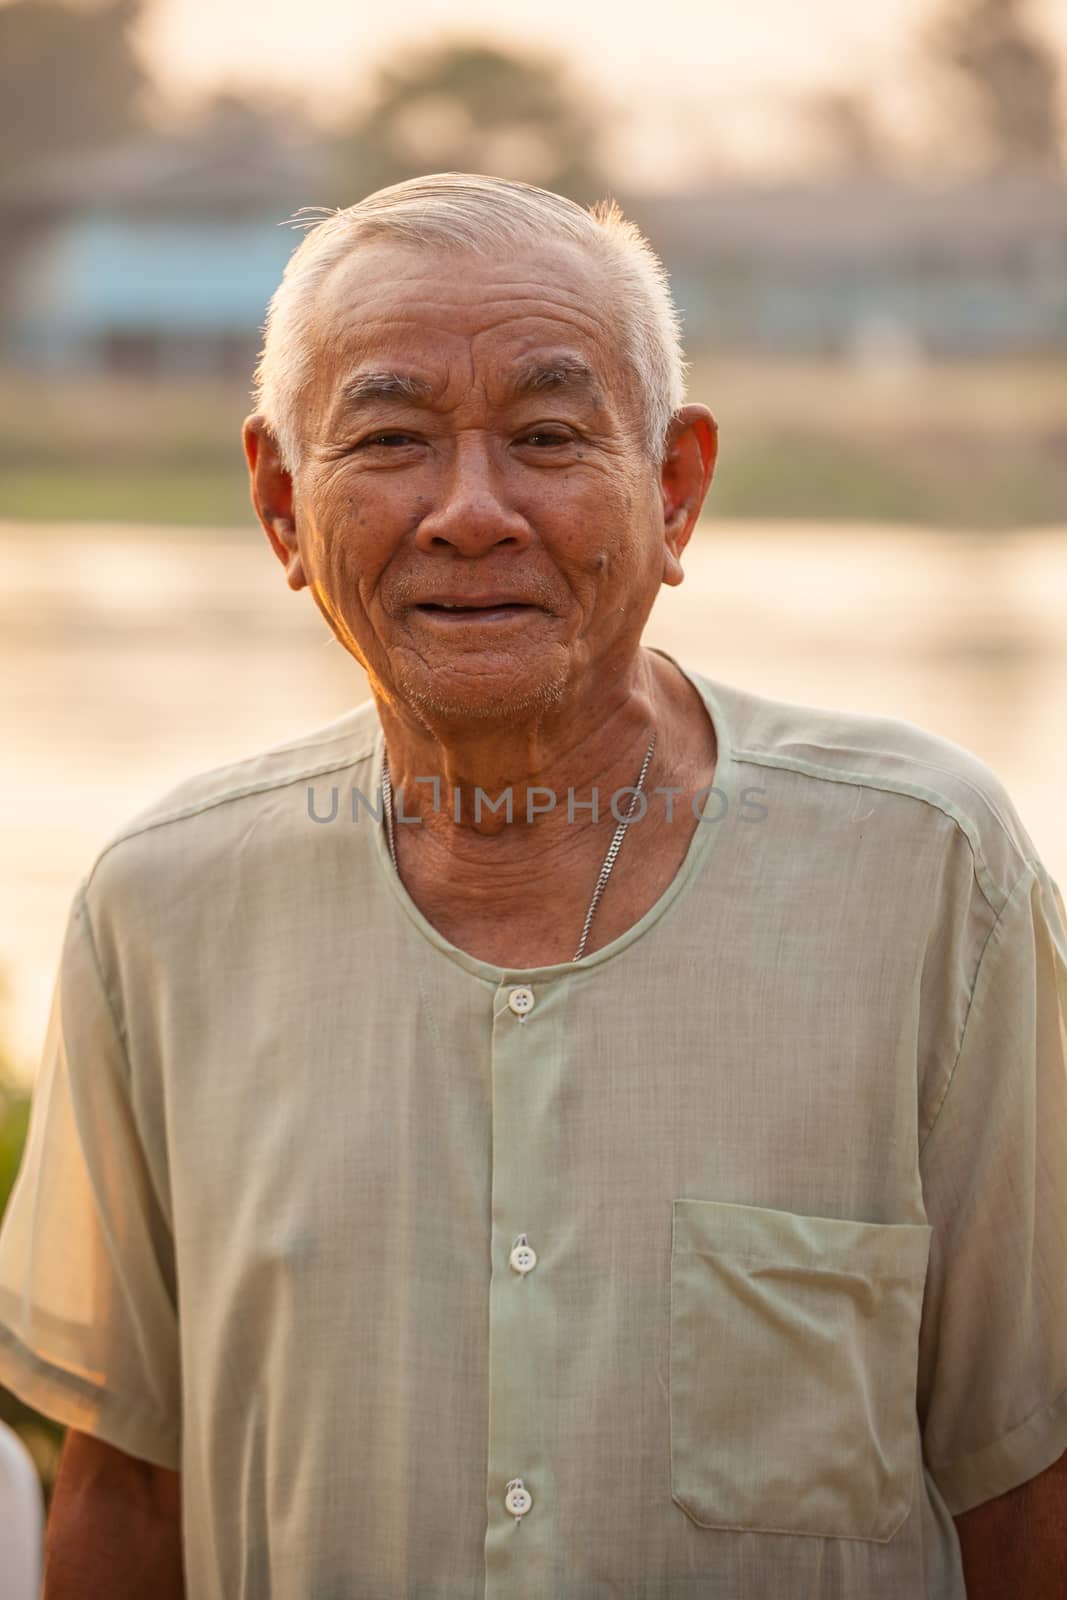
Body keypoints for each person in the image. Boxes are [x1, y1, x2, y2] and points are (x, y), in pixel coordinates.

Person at [0, 172, 1065, 1600]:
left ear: (676, 490)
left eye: (551, 436)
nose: (471, 512)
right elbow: (126, 1498)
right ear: (278, 503)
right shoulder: (160, 912)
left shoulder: (934, 877)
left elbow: (1032, 1483)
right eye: (389, 438)